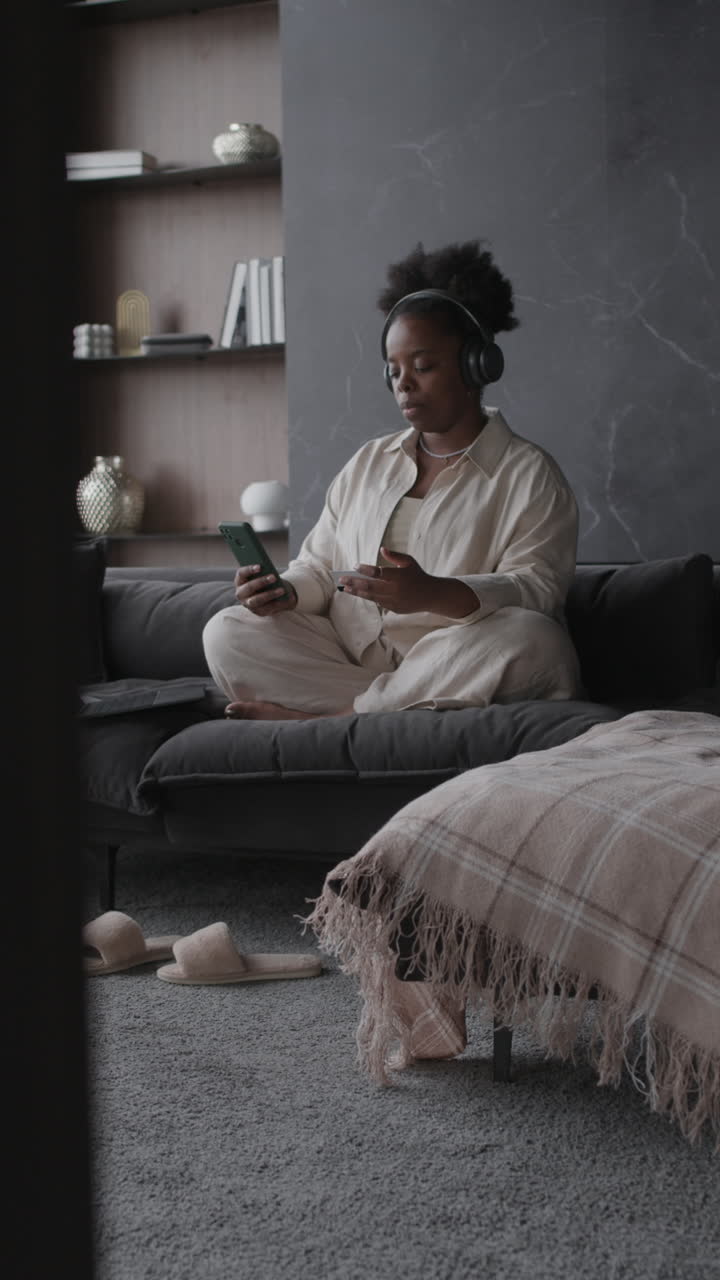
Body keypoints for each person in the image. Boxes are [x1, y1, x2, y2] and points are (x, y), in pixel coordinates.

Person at [202, 238, 581, 722]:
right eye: (394, 369)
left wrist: (433, 594)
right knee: (227, 632)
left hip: (458, 656)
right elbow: (320, 568)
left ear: (475, 365)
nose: (403, 383)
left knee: (535, 641)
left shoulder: (531, 475)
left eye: (422, 367)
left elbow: (537, 591)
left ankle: (336, 720)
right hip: (358, 664)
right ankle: (390, 709)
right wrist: (287, 591)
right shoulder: (367, 464)